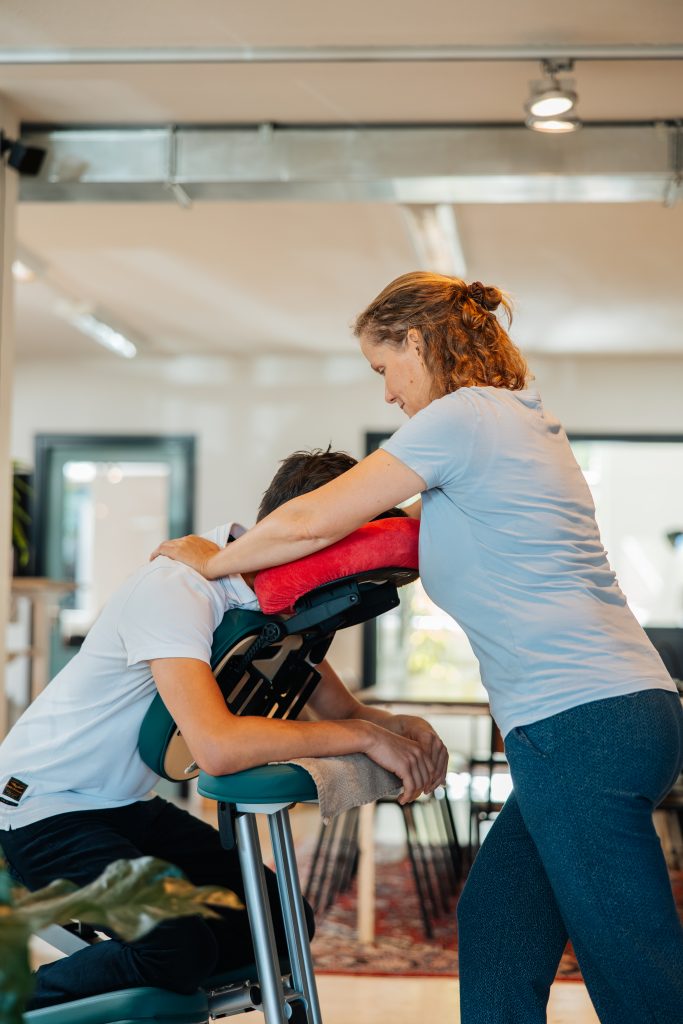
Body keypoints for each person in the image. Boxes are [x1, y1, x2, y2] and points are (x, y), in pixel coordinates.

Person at [152, 273, 683, 1024]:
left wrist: (209, 564)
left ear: (416, 341)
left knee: (634, 970)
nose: (388, 394)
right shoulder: (513, 423)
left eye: (384, 367)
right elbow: (374, 538)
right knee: (497, 925)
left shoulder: (463, 416)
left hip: (581, 723)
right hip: (610, 715)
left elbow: (311, 521)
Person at [0, 446, 448, 1011]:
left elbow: (341, 710)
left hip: (125, 805)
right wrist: (368, 738)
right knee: (176, 948)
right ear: (302, 532)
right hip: (44, 807)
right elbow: (217, 746)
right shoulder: (179, 588)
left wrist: (403, 727)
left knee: (280, 925)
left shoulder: (276, 603)